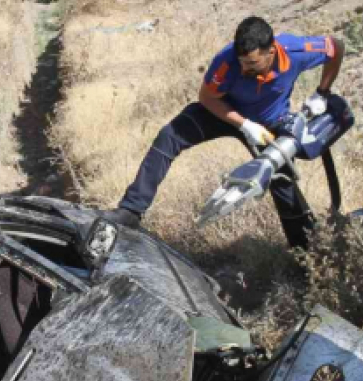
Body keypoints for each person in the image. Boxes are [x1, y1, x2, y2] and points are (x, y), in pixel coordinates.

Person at [106, 16, 344, 250]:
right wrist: (244, 125)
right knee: (170, 136)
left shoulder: (296, 52)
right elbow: (207, 97)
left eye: (252, 64)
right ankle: (131, 210)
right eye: (241, 62)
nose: (244, 68)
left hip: (268, 124)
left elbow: (336, 46)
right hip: (224, 112)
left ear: (271, 52)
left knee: (281, 182)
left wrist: (322, 92)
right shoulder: (227, 60)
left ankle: (308, 255)